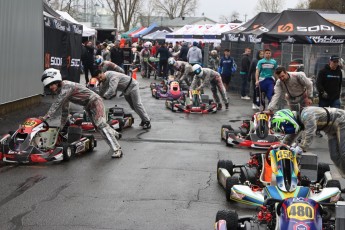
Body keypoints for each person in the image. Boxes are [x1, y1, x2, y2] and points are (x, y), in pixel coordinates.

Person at [40, 68, 122, 158]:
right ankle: (114, 133)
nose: (51, 87)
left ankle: (117, 149)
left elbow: (57, 103)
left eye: (51, 84)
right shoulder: (62, 91)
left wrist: (45, 117)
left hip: (95, 101)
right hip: (88, 105)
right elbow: (64, 111)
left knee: (101, 125)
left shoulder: (66, 86)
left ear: (57, 81)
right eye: (48, 86)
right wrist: (61, 127)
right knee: (98, 127)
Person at [271, 107, 345, 177]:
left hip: (341, 120)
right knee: (334, 156)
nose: (288, 130)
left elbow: (309, 133)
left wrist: (301, 147)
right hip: (331, 129)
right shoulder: (299, 121)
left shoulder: (307, 115)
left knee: (343, 154)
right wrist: (282, 146)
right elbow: (291, 136)